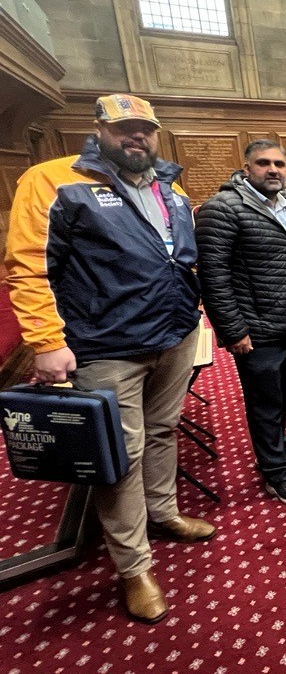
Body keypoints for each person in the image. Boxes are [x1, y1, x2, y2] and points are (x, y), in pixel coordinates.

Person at [4, 94, 214, 624]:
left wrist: (195, 312)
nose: (136, 137)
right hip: (106, 344)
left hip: (174, 334)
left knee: (163, 429)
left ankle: (163, 513)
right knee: (121, 454)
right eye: (125, 128)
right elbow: (28, 268)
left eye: (145, 128)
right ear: (100, 129)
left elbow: (179, 258)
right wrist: (47, 341)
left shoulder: (172, 186)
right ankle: (133, 567)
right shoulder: (54, 180)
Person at [195, 139, 286, 506]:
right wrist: (233, 330)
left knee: (279, 397)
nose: (273, 169)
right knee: (264, 402)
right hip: (256, 330)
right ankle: (276, 472)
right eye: (264, 163)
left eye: (280, 163)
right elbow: (213, 276)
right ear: (246, 169)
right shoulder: (224, 208)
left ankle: (276, 452)